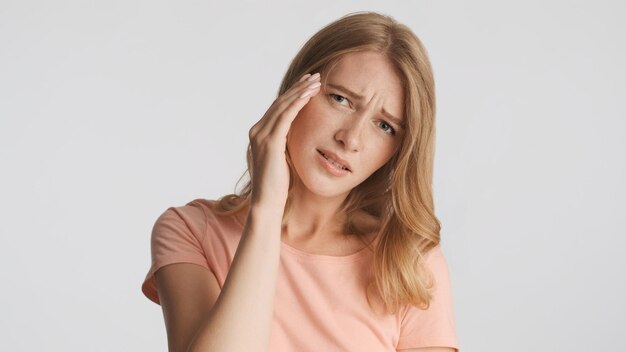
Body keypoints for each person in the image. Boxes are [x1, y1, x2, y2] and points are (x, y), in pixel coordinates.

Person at [141, 11, 459, 352]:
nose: (350, 139)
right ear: (296, 91)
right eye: (341, 99)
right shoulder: (190, 231)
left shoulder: (409, 261)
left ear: (398, 150)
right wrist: (266, 210)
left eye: (385, 126)